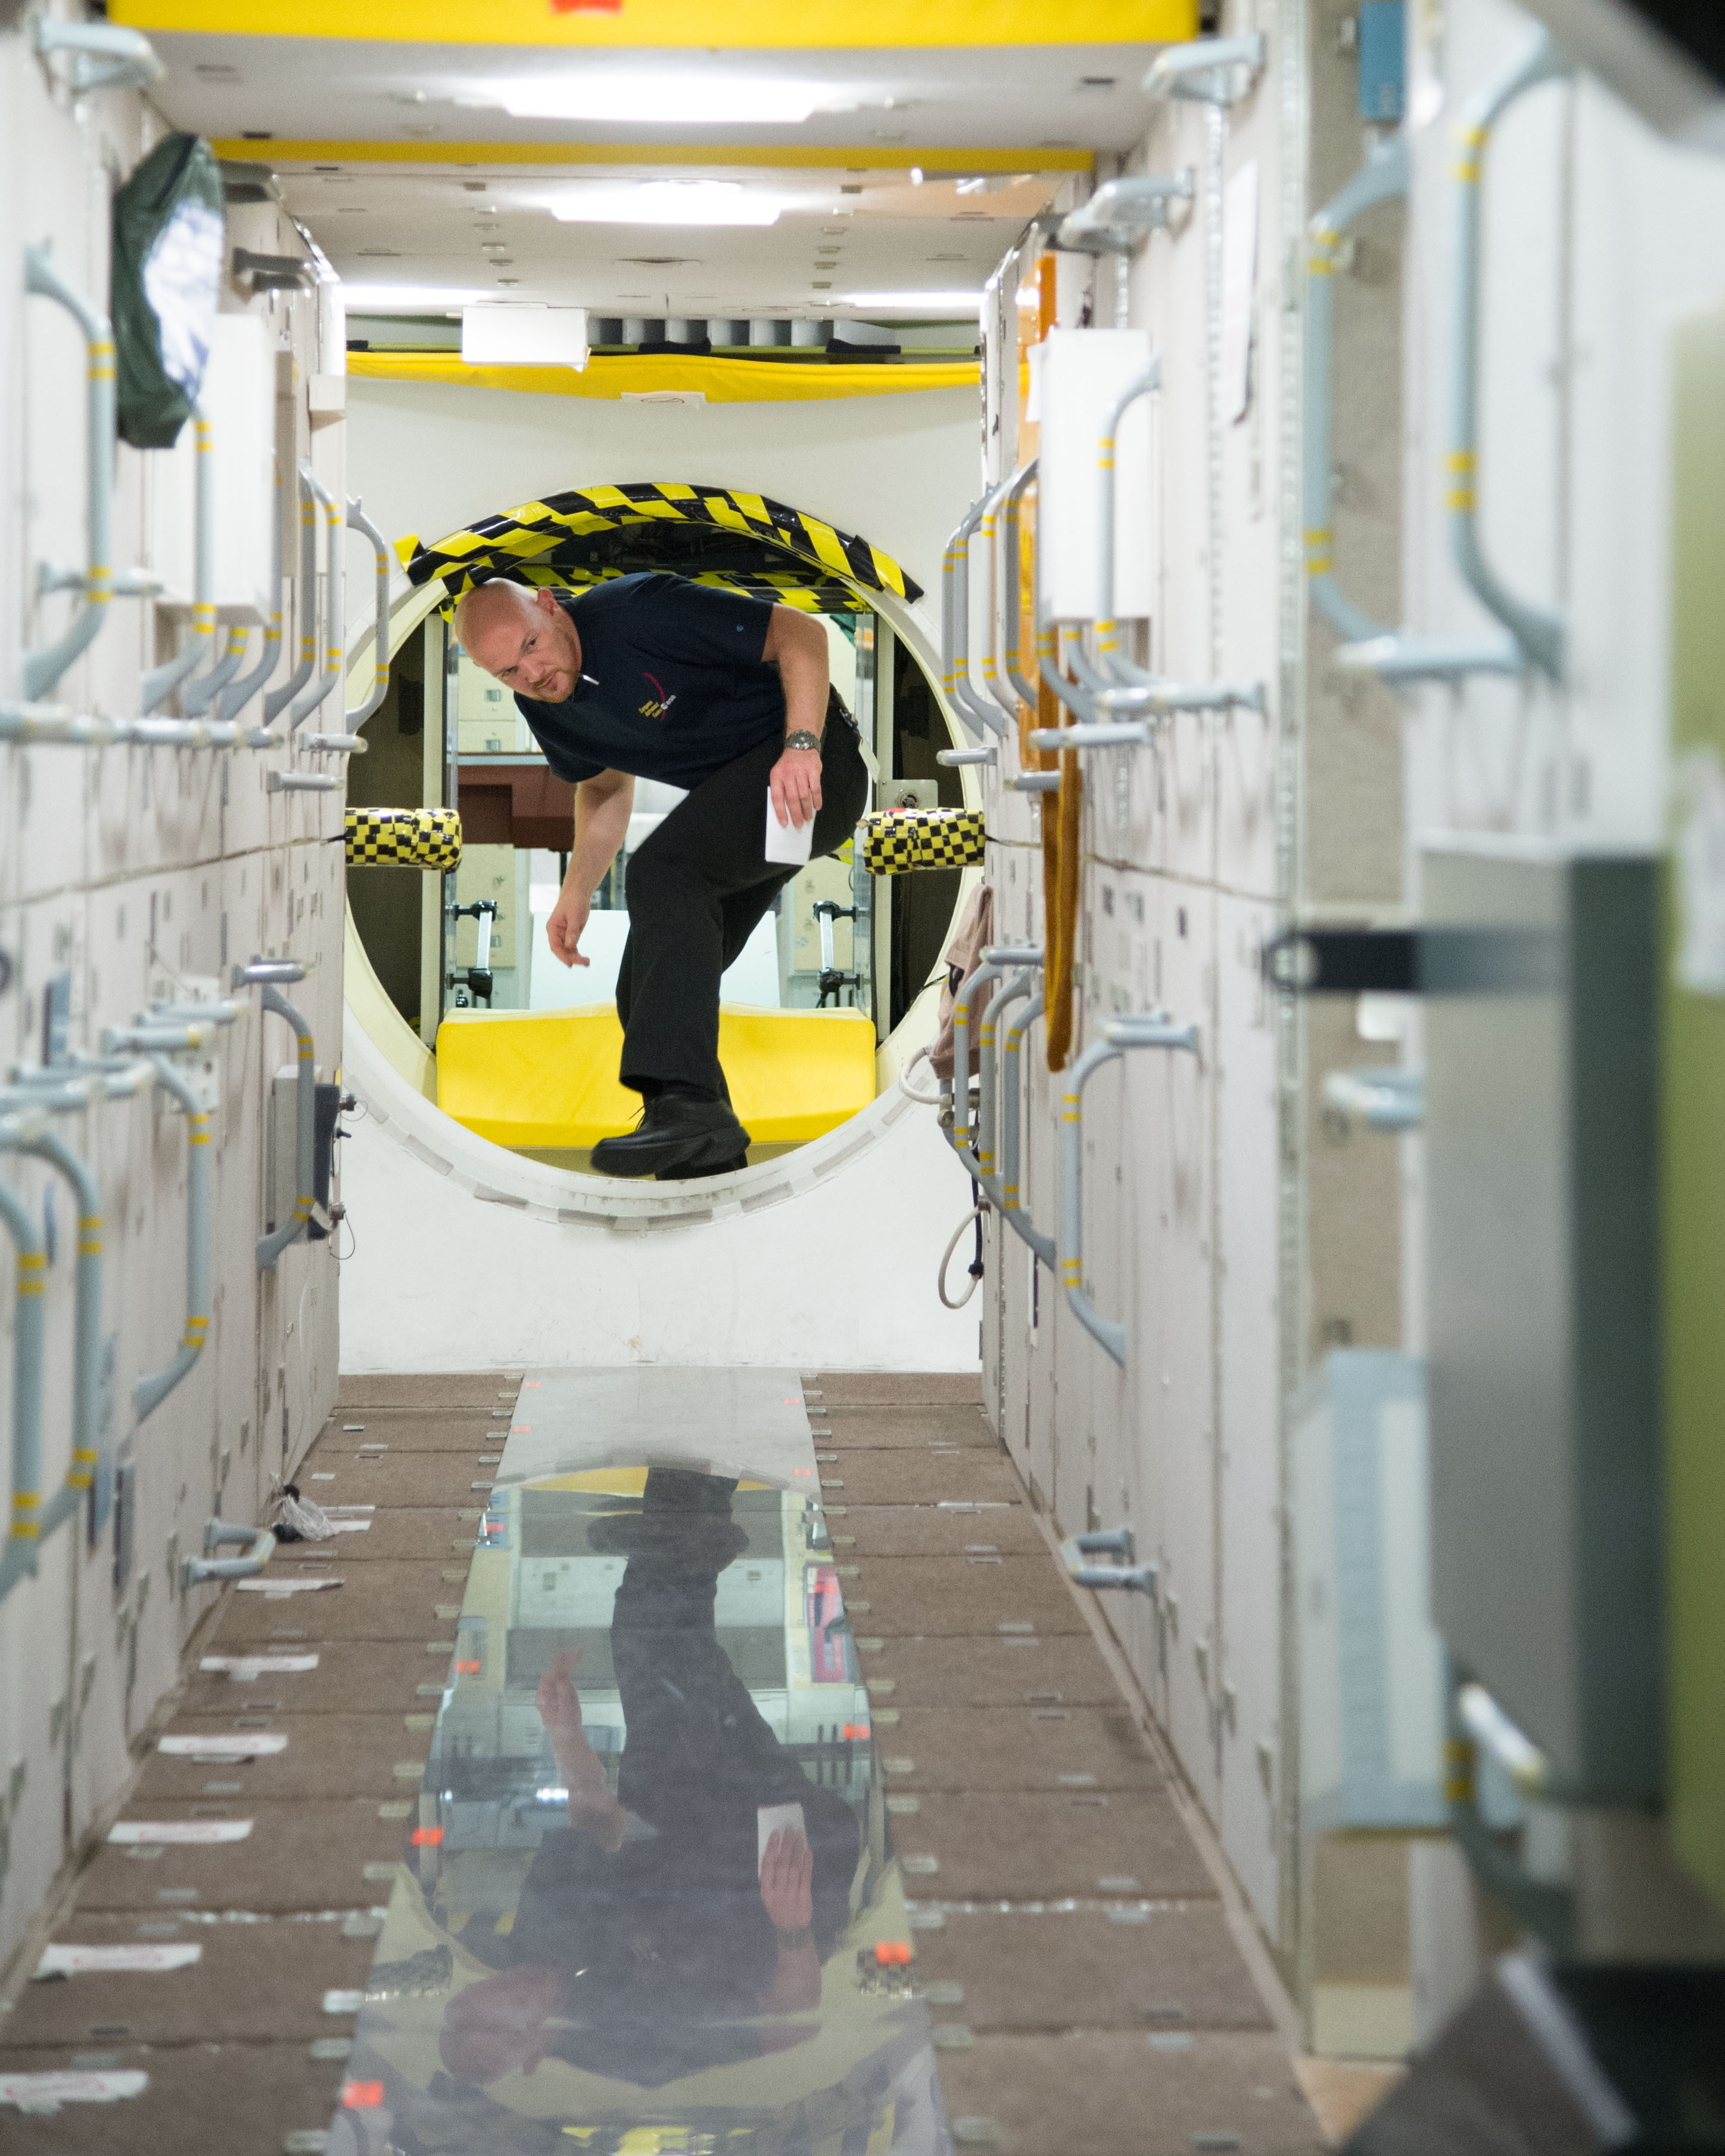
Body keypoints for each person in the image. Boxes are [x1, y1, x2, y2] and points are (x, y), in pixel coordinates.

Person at [454, 573, 870, 1180]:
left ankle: (692, 1111)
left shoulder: (638, 611)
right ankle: (706, 1158)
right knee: (645, 989)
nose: (532, 675)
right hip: (749, 804)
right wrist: (576, 891)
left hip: (812, 768)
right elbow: (602, 786)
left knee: (663, 872)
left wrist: (802, 745)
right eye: (508, 675)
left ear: (548, 605)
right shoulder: (543, 705)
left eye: (530, 647)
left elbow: (799, 631)